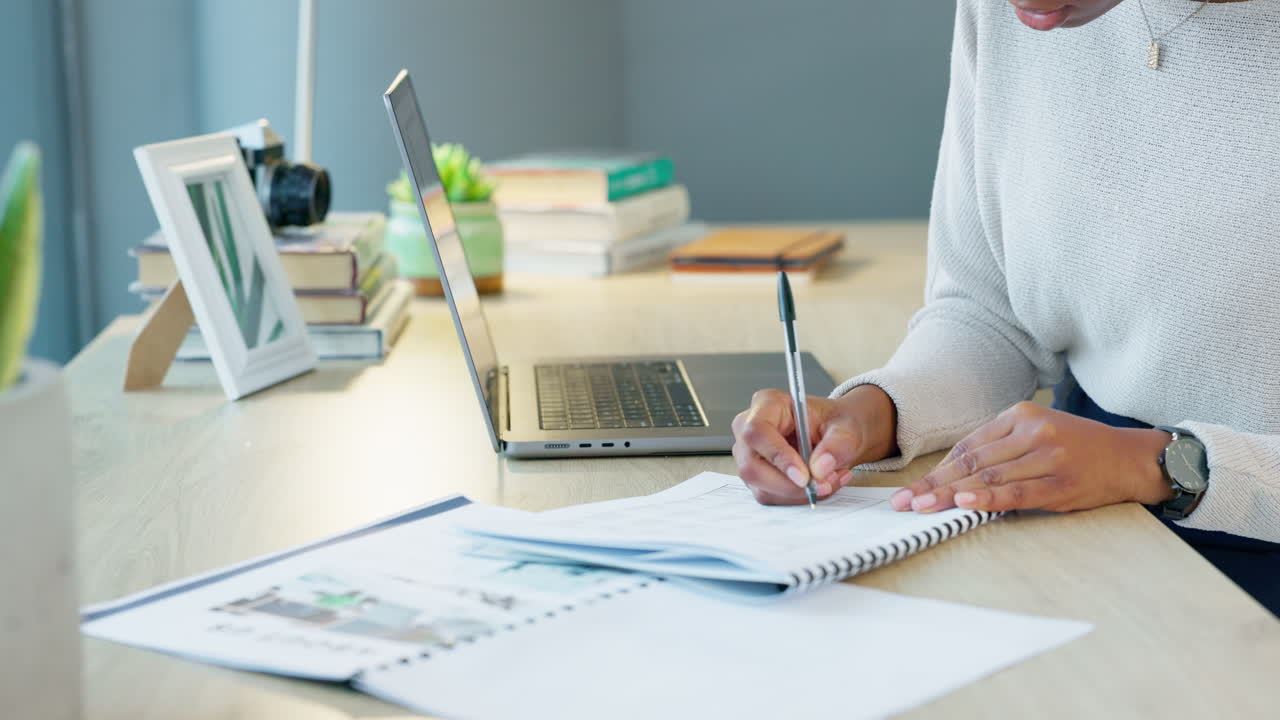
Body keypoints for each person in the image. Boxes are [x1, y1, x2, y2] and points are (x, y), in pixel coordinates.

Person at [731, 0, 1280, 614]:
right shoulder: (1000, 14)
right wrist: (868, 414)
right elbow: (990, 312)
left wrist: (1161, 464)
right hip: (1093, 522)